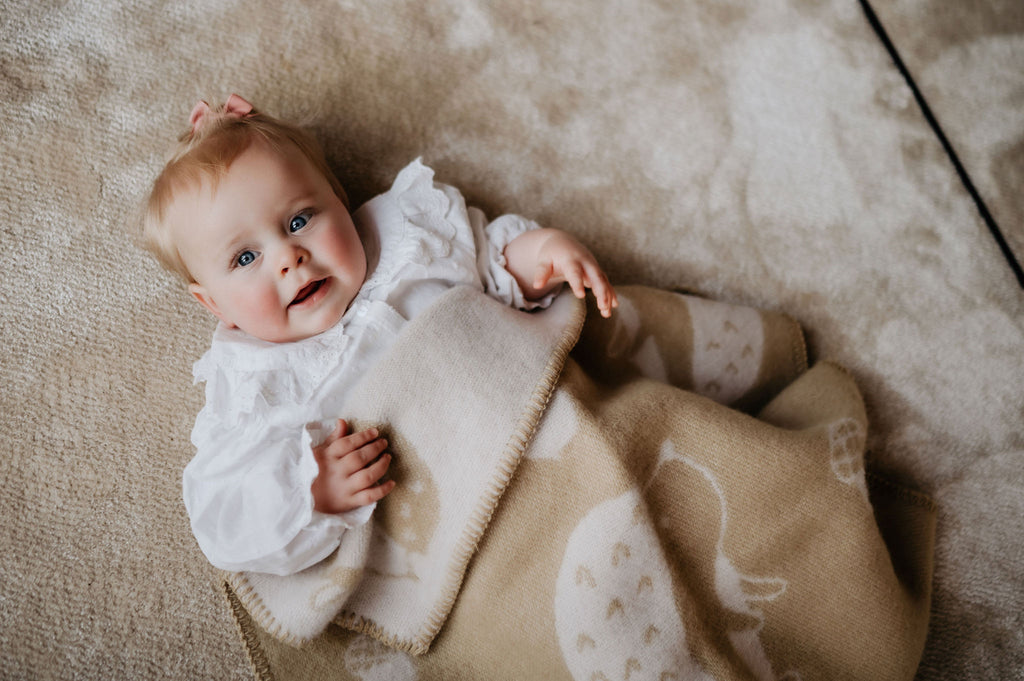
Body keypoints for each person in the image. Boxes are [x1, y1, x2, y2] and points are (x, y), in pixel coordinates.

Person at [142, 94, 618, 576]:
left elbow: (490, 264)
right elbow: (222, 520)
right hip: (458, 533)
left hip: (549, 424)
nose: (289, 257)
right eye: (246, 258)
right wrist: (309, 487)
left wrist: (540, 256)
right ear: (214, 304)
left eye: (299, 220)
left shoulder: (406, 240)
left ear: (339, 198)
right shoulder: (256, 387)